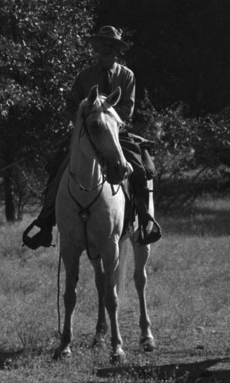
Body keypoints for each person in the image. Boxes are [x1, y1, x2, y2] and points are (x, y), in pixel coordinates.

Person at [21, 27, 162, 249]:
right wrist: (84, 117)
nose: (106, 50)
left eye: (111, 46)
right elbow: (70, 104)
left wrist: (106, 112)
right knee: (57, 164)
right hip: (86, 133)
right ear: (97, 49)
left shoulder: (127, 76)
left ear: (117, 50)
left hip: (117, 132)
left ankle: (144, 219)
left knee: (138, 166)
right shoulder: (84, 76)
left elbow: (128, 109)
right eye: (102, 46)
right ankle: (46, 221)